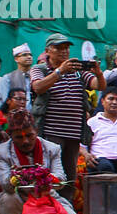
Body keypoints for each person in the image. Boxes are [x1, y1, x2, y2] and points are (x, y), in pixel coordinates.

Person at [30, 32, 103, 198]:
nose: (64, 52)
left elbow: (99, 85)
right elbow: (38, 87)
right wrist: (59, 71)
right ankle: (48, 211)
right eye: (59, 48)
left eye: (66, 48)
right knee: (49, 174)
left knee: (70, 176)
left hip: (74, 133)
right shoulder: (39, 69)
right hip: (50, 132)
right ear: (48, 50)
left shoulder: (77, 70)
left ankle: (67, 213)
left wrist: (98, 72)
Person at [0, 110, 78, 214]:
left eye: (29, 136)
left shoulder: (52, 148)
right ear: (11, 136)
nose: (25, 141)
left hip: (47, 197)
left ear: (36, 132)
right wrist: (15, 177)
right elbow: (5, 185)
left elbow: (60, 179)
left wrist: (45, 177)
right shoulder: (1, 151)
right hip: (18, 199)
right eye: (19, 137)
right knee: (8, 199)